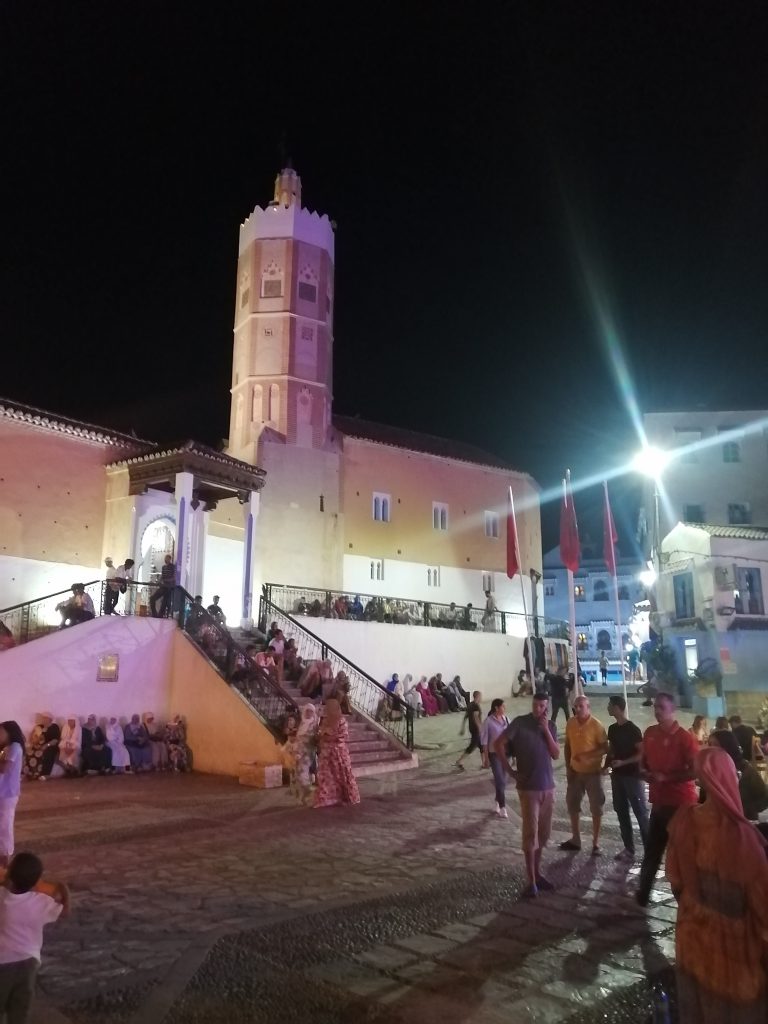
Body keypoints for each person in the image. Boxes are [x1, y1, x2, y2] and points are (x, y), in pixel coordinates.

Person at [666, 746, 768, 1023]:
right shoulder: (745, 840)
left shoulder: (684, 821)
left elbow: (675, 880)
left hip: (693, 941)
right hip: (734, 956)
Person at [494, 693, 560, 898]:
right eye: (536, 705)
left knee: (543, 835)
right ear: (532, 705)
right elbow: (498, 744)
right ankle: (531, 880)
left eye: (543, 706)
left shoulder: (551, 726)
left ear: (547, 707)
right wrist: (510, 771)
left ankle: (538, 874)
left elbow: (556, 754)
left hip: (547, 787)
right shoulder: (520, 723)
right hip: (529, 788)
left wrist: (546, 731)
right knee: (530, 834)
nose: (539, 709)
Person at [636, 692, 698, 906]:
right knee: (652, 850)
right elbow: (643, 761)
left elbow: (695, 771)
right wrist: (644, 771)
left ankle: (686, 899)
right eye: (655, 706)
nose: (657, 711)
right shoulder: (650, 733)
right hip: (659, 803)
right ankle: (643, 893)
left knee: (680, 854)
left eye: (662, 707)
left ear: (672, 710)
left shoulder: (685, 738)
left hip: (681, 804)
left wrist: (668, 777)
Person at [0, 852, 70, 1024]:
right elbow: (65, 911)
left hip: (2, 962)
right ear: (36, 880)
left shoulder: (1, 896)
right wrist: (63, 889)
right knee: (20, 1007)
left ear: (9, 874)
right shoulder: (41, 902)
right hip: (29, 963)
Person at [561, 696, 608, 856]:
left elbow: (605, 748)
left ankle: (595, 843)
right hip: (575, 772)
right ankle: (576, 839)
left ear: (588, 707)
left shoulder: (596, 725)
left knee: (596, 807)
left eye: (581, 706)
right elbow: (567, 745)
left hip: (593, 773)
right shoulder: (571, 723)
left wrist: (589, 756)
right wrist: (568, 766)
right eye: (576, 706)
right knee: (572, 804)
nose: (578, 709)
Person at [606, 696, 649, 861]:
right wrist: (606, 766)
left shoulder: (633, 729)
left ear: (617, 708)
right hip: (617, 776)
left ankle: (649, 849)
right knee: (621, 811)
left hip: (632, 776)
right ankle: (628, 849)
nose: (608, 708)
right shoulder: (612, 729)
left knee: (640, 812)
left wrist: (624, 762)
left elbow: (641, 753)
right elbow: (612, 749)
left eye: (610, 705)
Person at [707, 729, 768, 821]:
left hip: (743, 820)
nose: (710, 749)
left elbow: (762, 798)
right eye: (710, 745)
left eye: (715, 745)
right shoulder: (714, 767)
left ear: (727, 746)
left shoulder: (744, 770)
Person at [314, 700, 360, 808]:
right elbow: (321, 734)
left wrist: (327, 735)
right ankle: (328, 798)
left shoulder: (342, 721)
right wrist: (323, 735)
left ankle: (346, 797)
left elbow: (341, 736)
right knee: (327, 776)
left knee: (343, 775)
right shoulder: (325, 720)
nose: (328, 710)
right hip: (326, 754)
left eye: (330, 708)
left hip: (339, 753)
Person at [0, 724, 24, 867]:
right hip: (3, 791)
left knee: (5, 825)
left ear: (9, 732)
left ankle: (6, 859)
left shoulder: (14, 747)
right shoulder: (8, 747)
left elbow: (5, 768)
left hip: (8, 793)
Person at [481, 699, 509, 818]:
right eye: (503, 706)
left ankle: (497, 800)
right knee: (499, 780)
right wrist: (486, 758)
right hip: (494, 754)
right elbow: (484, 741)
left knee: (503, 781)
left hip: (507, 754)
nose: (504, 708)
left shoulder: (507, 719)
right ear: (496, 708)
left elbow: (511, 736)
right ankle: (503, 806)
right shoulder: (488, 722)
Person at [295, 704, 318, 805]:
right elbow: (297, 737)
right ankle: (304, 797)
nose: (309, 713)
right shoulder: (302, 723)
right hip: (299, 752)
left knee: (303, 773)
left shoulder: (314, 724)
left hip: (308, 752)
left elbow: (313, 738)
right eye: (307, 711)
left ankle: (308, 792)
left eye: (311, 711)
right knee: (299, 774)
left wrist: (305, 739)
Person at [456, 692, 483, 770]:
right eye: (480, 696)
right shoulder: (476, 706)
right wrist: (480, 728)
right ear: (477, 696)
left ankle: (484, 763)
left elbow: (465, 717)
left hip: (471, 727)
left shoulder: (470, 704)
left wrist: (463, 727)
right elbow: (476, 718)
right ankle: (459, 761)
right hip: (476, 729)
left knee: (481, 745)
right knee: (473, 746)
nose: (481, 698)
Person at [36, 715, 59, 781]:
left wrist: (47, 745)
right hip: (42, 745)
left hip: (52, 745)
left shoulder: (54, 726)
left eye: (45, 718)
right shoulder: (41, 727)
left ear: (50, 719)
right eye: (43, 718)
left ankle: (45, 774)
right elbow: (40, 739)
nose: (43, 720)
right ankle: (34, 773)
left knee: (48, 752)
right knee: (31, 752)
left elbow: (55, 740)